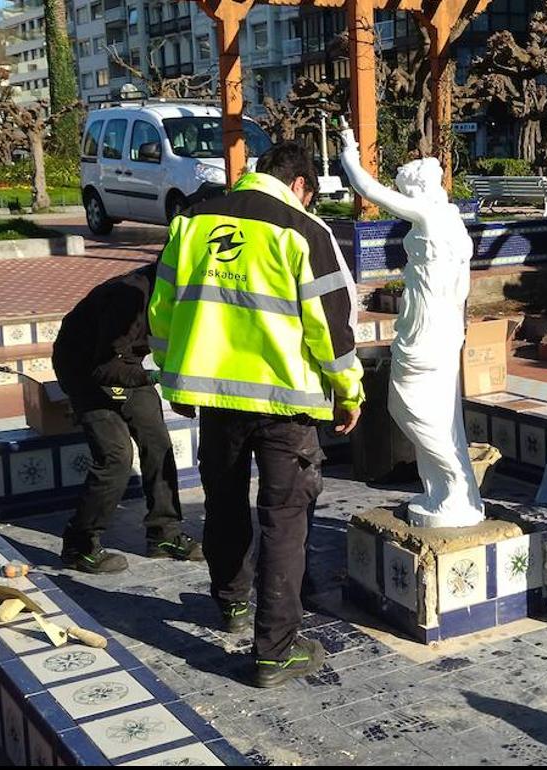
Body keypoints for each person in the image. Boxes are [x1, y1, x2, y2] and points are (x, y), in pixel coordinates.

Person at [148, 141, 364, 688]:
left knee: (223, 501)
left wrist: (175, 380)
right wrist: (349, 392)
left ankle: (231, 603)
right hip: (286, 404)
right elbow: (330, 328)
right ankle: (275, 650)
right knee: (284, 518)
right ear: (300, 185)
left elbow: (162, 311)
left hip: (216, 398)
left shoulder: (190, 223)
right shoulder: (303, 231)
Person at [337, 119, 485, 528]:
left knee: (406, 404)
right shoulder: (451, 220)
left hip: (427, 324)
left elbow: (369, 190)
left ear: (419, 189)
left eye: (406, 191)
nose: (404, 198)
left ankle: (454, 481)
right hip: (442, 322)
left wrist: (349, 151)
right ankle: (446, 491)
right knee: (439, 410)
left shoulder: (430, 214)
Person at [53, 264, 202, 574]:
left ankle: (164, 533)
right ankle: (79, 545)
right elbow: (103, 368)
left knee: (157, 442)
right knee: (116, 456)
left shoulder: (185, 289)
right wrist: (155, 377)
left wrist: (179, 391)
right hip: (84, 368)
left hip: (125, 363)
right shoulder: (129, 295)